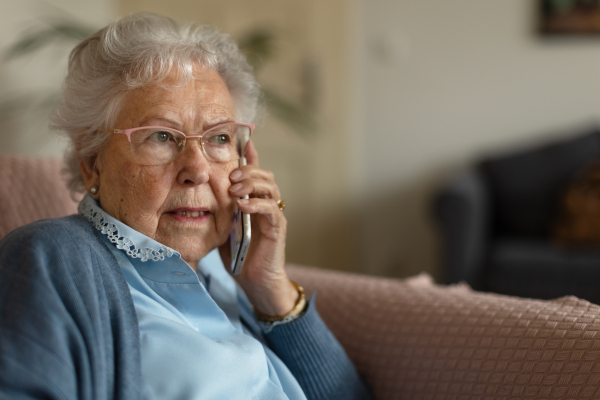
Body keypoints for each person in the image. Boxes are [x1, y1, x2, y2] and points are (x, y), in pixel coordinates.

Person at [0, 12, 372, 400]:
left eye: (219, 138)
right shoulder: (50, 256)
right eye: (161, 136)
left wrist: (271, 291)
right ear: (93, 161)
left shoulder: (223, 269)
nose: (197, 169)